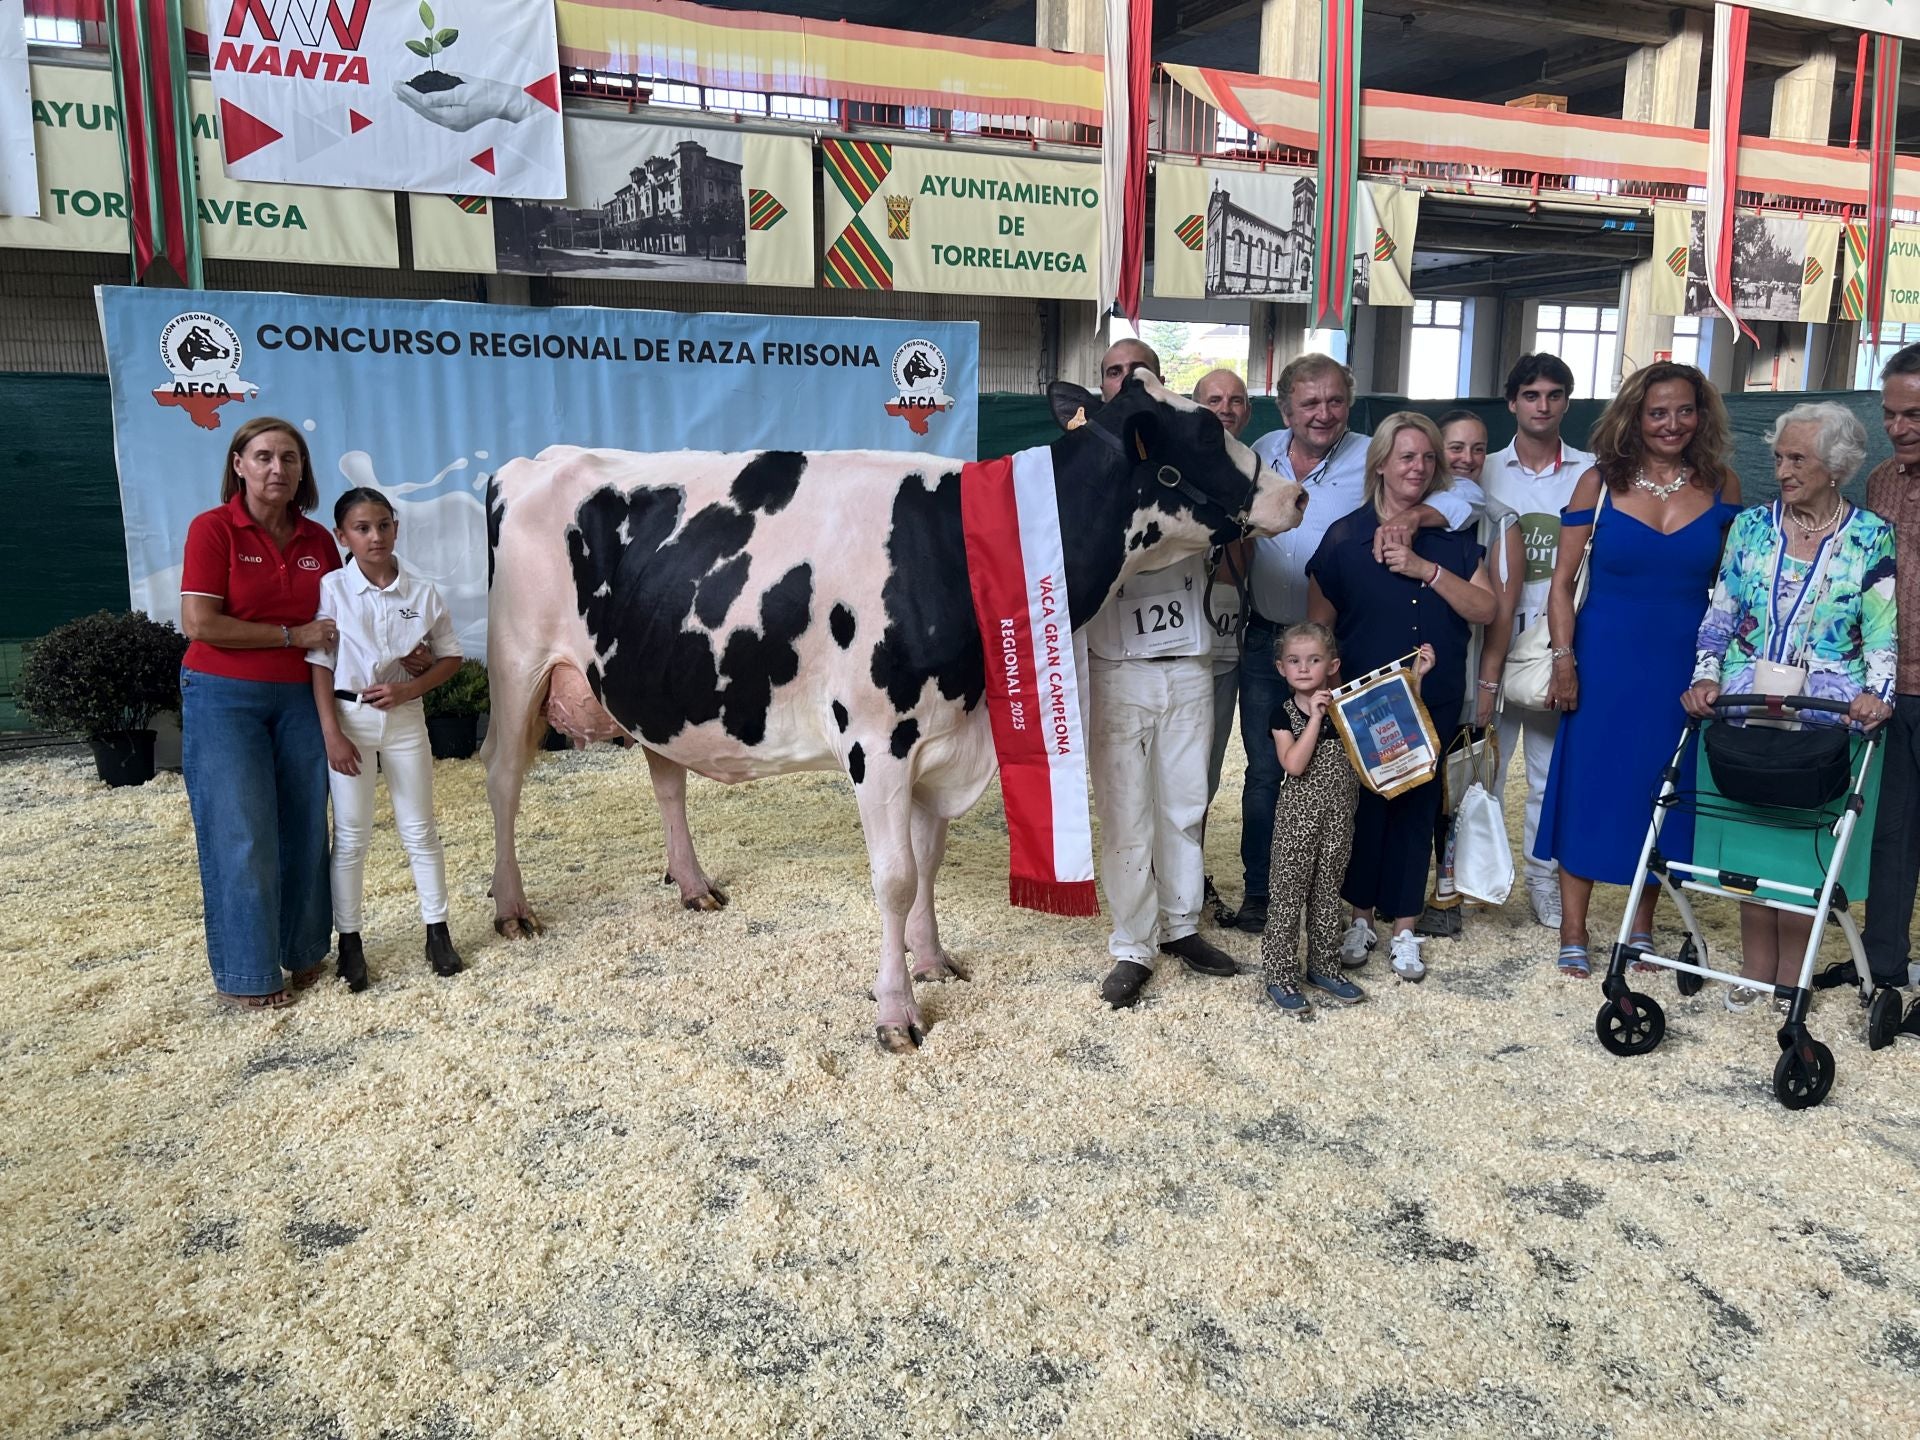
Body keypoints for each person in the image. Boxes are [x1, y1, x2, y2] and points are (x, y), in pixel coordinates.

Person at [1233, 355, 1485, 936]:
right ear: (1285, 408)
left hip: (1347, 653)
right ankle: (1265, 894)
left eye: (1334, 401)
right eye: (1309, 403)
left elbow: (1463, 500)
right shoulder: (1259, 453)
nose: (1323, 414)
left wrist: (1416, 515)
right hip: (1272, 638)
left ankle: (1347, 906)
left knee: (1355, 782)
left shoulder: (1381, 452)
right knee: (1270, 772)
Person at [1535, 363, 1743, 979]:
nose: (1672, 423)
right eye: (1658, 412)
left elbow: (1731, 589)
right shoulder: (1596, 483)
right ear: (1635, 416)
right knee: (1589, 782)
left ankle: (1641, 925)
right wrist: (1563, 659)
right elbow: (1562, 584)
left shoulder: (1723, 485)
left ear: (1701, 416)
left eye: (1684, 410)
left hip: (1682, 663)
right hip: (1603, 659)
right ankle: (1574, 927)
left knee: (1662, 791)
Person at [1685, 402, 1896, 1009]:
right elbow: (1718, 616)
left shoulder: (1869, 536)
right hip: (1745, 707)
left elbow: (1882, 633)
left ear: (1835, 467)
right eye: (1778, 457)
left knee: (1800, 850)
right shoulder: (1751, 527)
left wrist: (1876, 698)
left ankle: (1789, 979)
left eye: (1796, 458)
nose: (1781, 469)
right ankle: (1756, 970)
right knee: (1753, 837)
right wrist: (1704, 678)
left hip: (1826, 722)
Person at [1305, 413, 1497, 981]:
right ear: (1382, 463)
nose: (1418, 468)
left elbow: (1486, 610)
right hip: (1364, 703)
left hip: (1431, 698)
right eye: (1407, 456)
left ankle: (1406, 929)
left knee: (1417, 808)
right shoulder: (1345, 537)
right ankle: (1359, 917)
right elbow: (1320, 629)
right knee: (1364, 809)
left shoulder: (1454, 540)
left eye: (1428, 458)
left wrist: (1426, 570)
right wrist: (1325, 694)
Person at [1085, 339, 1240, 1009]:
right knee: (1126, 812)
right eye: (1115, 372)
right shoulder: (1084, 462)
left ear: (1157, 380)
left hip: (1188, 655)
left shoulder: (1193, 457)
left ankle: (1180, 925)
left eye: (1138, 370)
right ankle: (1132, 942)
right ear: (1102, 385)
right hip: (1115, 662)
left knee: (1184, 803)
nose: (1127, 380)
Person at [179, 417, 343, 1009]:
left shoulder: (319, 540)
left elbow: (339, 624)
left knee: (305, 828)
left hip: (301, 697)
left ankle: (303, 953)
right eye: (265, 457)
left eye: (291, 459)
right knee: (242, 833)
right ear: (239, 465)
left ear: (304, 471)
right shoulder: (214, 529)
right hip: (223, 695)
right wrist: (289, 634)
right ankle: (247, 976)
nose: (279, 469)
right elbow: (200, 624)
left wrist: (410, 650)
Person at [310, 487, 469, 990]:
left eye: (383, 525)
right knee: (352, 835)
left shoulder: (421, 593)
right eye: (361, 528)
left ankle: (437, 931)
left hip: (404, 722)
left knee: (419, 829)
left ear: (396, 527)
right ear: (343, 536)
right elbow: (319, 665)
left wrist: (408, 690)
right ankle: (350, 943)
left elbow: (449, 657)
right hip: (349, 720)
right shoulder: (332, 588)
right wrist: (332, 732)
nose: (374, 536)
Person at [1260, 624, 1430, 1018]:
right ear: (1281, 668)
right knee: (1287, 897)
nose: (1304, 668)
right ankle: (1280, 974)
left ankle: (1323, 967)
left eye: (1314, 660)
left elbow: (1397, 729)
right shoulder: (1282, 713)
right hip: (1297, 821)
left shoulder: (1348, 708)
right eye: (1294, 661)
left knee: (1327, 895)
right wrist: (1316, 719)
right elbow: (1295, 765)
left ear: (1332, 665)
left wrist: (1417, 679)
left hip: (1340, 818)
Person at [1481, 354, 1595, 930]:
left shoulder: (1591, 472)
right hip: (1491, 640)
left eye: (1554, 395)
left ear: (1566, 403)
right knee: (1488, 772)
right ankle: (1483, 882)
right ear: (1512, 403)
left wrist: (1567, 650)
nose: (1542, 406)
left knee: (1550, 776)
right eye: (1531, 395)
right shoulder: (1483, 470)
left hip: (1559, 643)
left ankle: (1544, 883)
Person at [1417, 410, 1523, 937]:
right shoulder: (1411, 510)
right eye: (1455, 448)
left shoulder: (1500, 520)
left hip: (1465, 679)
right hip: (1418, 678)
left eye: (1478, 449)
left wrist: (1486, 684)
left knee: (1455, 787)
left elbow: (1499, 613)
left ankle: (1448, 892)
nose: (1467, 459)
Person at [1862, 344, 1920, 1020]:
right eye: (1891, 414)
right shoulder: (1879, 481)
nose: (1900, 427)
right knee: (1890, 833)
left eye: (1915, 415)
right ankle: (1883, 965)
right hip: (1888, 689)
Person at [1192, 366, 1253, 917]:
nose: (1225, 409)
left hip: (1232, 634)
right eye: (1214, 400)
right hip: (1175, 637)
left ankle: (1192, 874)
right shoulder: (1174, 474)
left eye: (1235, 401)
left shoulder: (1256, 473)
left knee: (1207, 767)